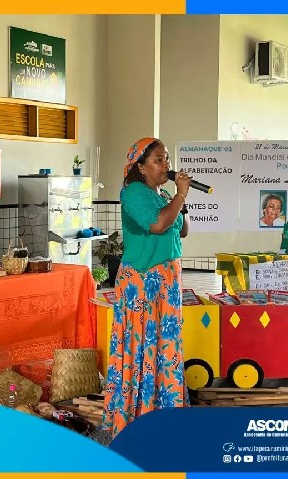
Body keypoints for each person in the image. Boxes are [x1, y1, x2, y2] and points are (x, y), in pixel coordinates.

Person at [101, 137, 192, 439]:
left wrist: (179, 200)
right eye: (158, 160)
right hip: (142, 282)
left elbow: (182, 229)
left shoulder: (161, 193)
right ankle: (136, 414)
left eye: (167, 159)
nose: (166, 165)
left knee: (163, 344)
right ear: (140, 167)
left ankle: (161, 410)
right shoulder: (133, 192)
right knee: (142, 344)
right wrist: (180, 195)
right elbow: (157, 225)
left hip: (166, 282)